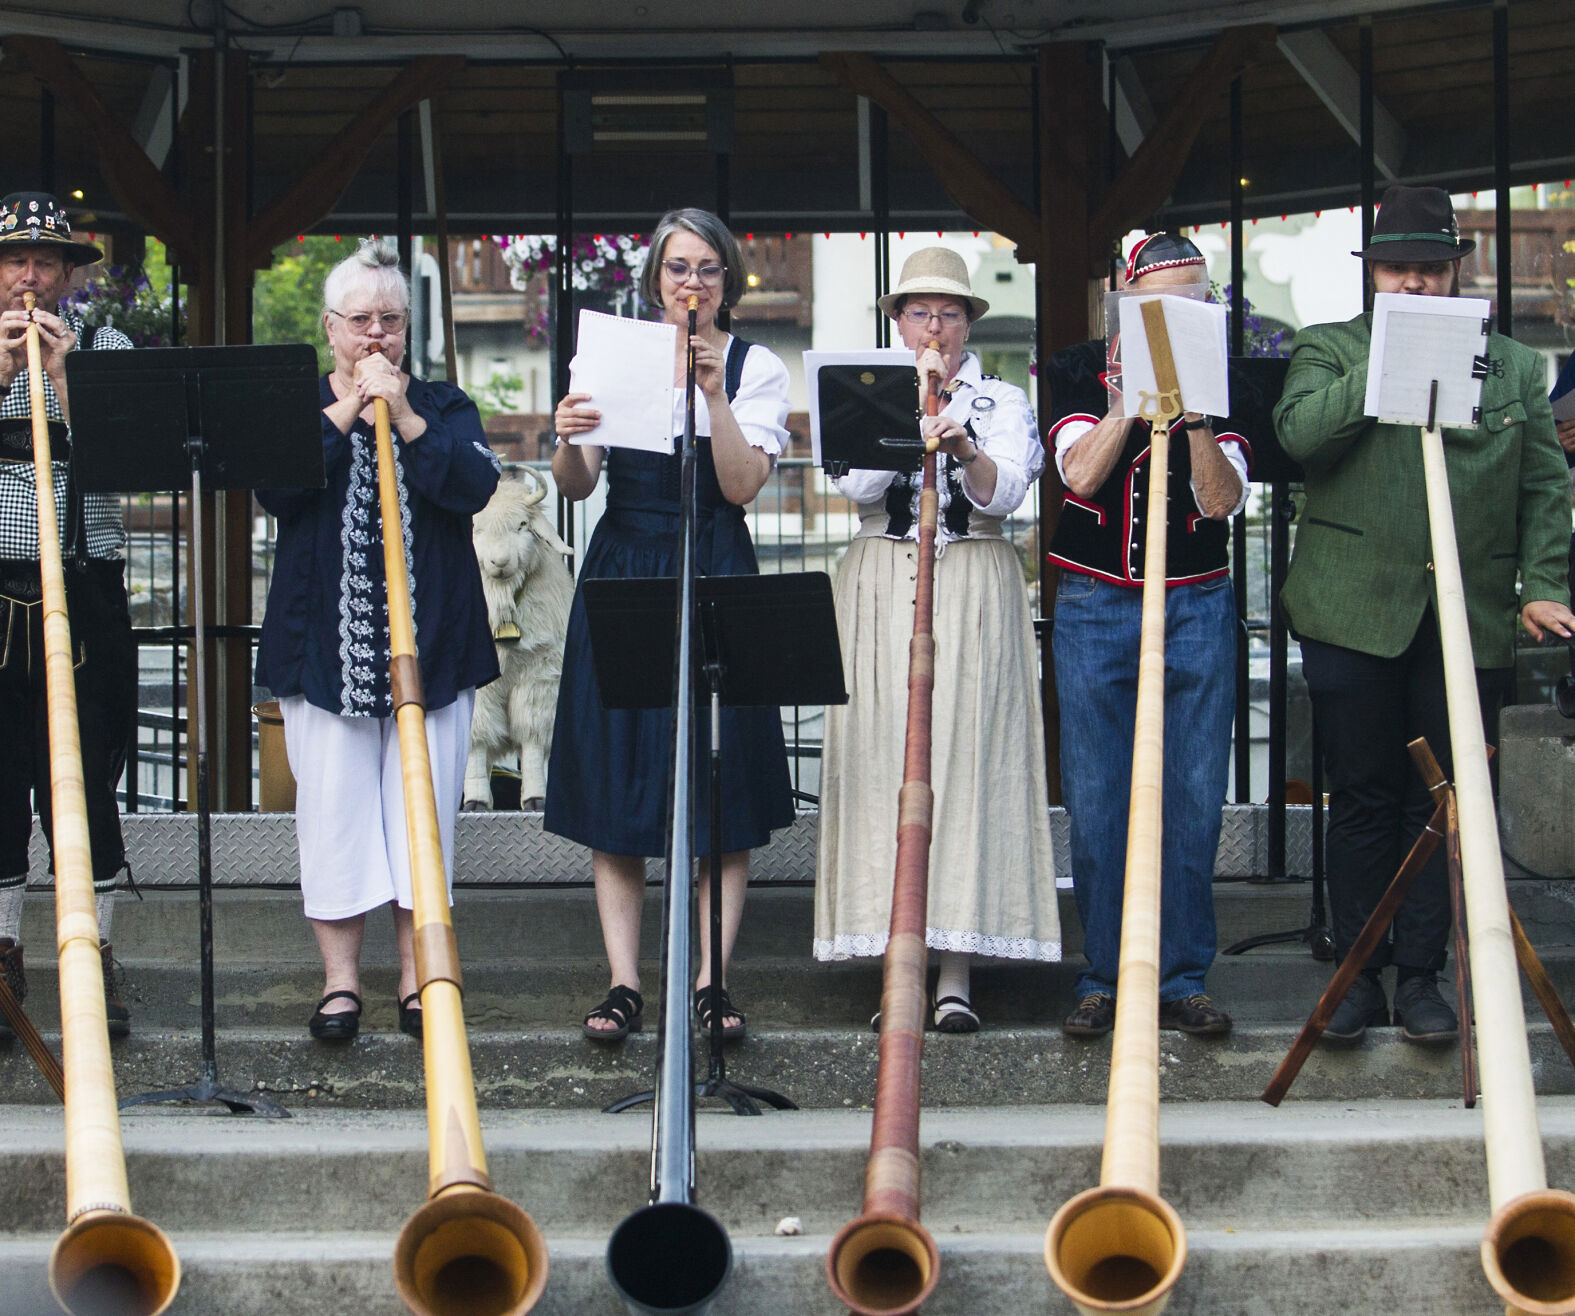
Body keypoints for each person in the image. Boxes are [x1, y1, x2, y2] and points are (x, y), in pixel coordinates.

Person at [1275, 184, 1575, 1045]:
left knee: (1441, 801)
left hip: (1468, 613)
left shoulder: (1514, 365)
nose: (1412, 286)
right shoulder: (1328, 348)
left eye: (1429, 272)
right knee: (1362, 796)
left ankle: (1421, 978)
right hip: (1348, 608)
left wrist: (1543, 585)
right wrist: (1387, 366)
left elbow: (1544, 486)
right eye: (1395, 270)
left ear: (1456, 272)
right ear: (1371, 274)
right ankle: (1356, 975)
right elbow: (1297, 441)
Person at [547, 208, 795, 1043]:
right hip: (627, 559)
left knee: (720, 772)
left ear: (728, 280)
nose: (692, 282)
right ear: (655, 277)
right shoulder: (615, 352)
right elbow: (577, 487)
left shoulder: (757, 367)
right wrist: (568, 438)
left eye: (708, 269)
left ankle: (708, 980)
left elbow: (739, 487)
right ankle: (622, 981)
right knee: (619, 765)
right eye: (678, 267)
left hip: (715, 560)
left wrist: (714, 395)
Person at [255, 238, 500, 1042]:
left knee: (418, 817)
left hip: (432, 650)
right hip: (319, 648)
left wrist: (405, 415)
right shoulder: (298, 406)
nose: (375, 336)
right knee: (333, 816)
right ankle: (339, 985)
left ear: (408, 330)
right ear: (329, 329)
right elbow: (278, 484)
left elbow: (470, 486)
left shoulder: (445, 404)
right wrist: (350, 411)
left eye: (389, 321)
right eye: (359, 320)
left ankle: (419, 978)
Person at [814, 246, 1060, 1032]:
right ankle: (898, 965)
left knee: (968, 759)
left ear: (966, 324)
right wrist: (904, 417)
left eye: (949, 313)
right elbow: (851, 483)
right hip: (884, 578)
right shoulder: (862, 389)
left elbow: (1009, 494)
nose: (935, 325)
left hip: (974, 581)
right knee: (886, 757)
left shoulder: (1003, 401)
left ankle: (956, 972)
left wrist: (962, 446)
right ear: (896, 321)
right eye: (920, 311)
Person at [1046, 233, 1246, 1040]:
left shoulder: (1225, 376)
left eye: (1192, 299)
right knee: (1097, 801)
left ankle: (1182, 976)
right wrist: (1130, 395)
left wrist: (1194, 414)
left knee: (1192, 800)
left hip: (1196, 601)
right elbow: (1078, 476)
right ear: (1125, 298)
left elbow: (1221, 499)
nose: (1176, 313)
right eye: (1158, 300)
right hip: (1095, 603)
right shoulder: (1074, 367)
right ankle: (1105, 975)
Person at [0, 192, 135, 1038]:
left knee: (84, 779)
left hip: (81, 584)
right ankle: (5, 953)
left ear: (68, 276)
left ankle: (96, 956)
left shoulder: (107, 346)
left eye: (46, 262)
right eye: (15, 260)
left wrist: (59, 377)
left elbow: (127, 467)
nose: (29, 276)